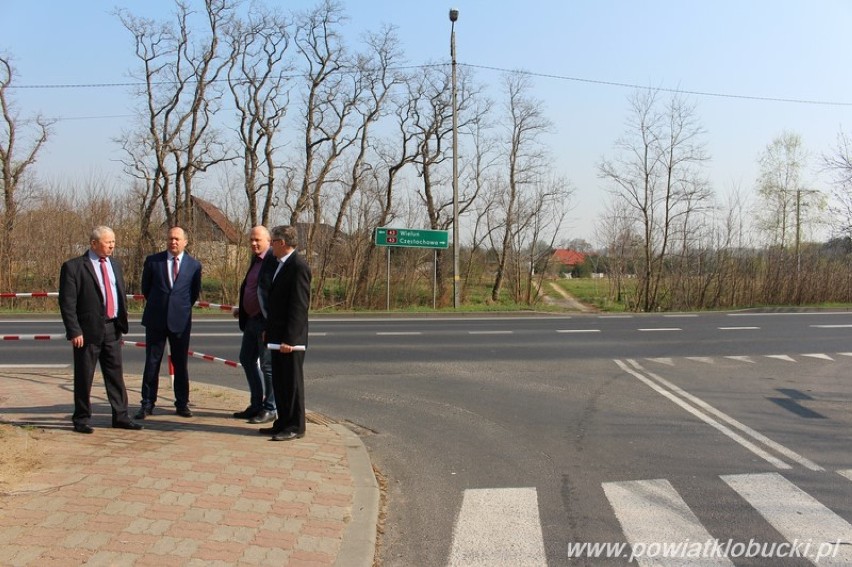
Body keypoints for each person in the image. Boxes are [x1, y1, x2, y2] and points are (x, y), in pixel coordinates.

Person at [59, 226, 142, 434]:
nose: (112, 246)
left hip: (113, 328)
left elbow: (119, 293)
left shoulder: (115, 264)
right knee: (84, 376)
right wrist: (74, 330)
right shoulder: (74, 267)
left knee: (115, 374)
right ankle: (82, 418)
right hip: (87, 332)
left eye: (114, 241)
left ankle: (121, 416)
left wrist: (122, 319)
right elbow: (67, 303)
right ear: (94, 243)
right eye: (108, 242)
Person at [135, 226, 202, 419]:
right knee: (152, 362)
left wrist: (178, 308)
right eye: (170, 238)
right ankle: (147, 403)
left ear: (185, 242)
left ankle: (182, 404)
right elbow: (146, 288)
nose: (173, 242)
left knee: (181, 363)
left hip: (180, 321)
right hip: (156, 319)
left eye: (177, 239)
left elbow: (193, 293)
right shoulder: (153, 261)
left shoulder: (194, 265)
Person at [259, 225, 311, 441]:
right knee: (280, 381)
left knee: (292, 383)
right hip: (276, 336)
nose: (270, 245)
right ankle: (282, 422)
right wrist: (269, 332)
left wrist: (290, 339)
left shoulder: (298, 266)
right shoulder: (280, 264)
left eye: (272, 242)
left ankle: (295, 426)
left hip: (291, 340)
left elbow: (299, 306)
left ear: (281, 243)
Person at [232, 225, 278, 424]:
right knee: (246, 358)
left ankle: (271, 408)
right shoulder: (254, 260)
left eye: (258, 240)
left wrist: (271, 324)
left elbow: (275, 294)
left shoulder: (273, 261)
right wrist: (242, 308)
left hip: (264, 322)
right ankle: (256, 404)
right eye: (251, 239)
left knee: (268, 366)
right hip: (250, 320)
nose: (253, 243)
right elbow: (252, 288)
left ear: (268, 241)